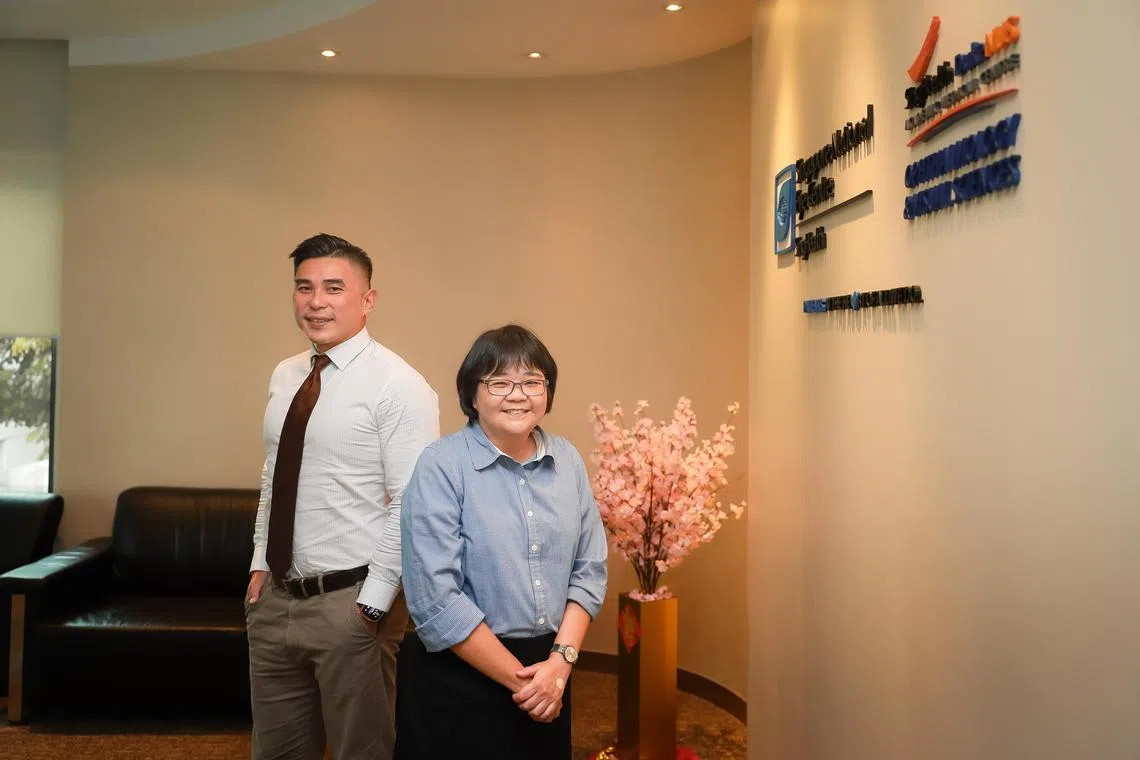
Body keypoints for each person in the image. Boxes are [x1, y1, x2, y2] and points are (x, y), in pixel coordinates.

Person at [245, 233, 439, 760]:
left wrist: (371, 608)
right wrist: (261, 564)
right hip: (275, 603)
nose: (316, 301)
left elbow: (411, 505)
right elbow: (274, 475)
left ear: (367, 299)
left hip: (351, 604)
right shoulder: (286, 375)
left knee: (363, 751)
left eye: (334, 287)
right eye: (304, 287)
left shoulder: (399, 386)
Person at [395, 324, 608, 760]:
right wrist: (528, 685)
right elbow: (436, 600)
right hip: (461, 674)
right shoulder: (441, 465)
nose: (517, 394)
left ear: (547, 391)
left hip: (550, 665)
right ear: (472, 394)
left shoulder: (567, 460)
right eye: (499, 382)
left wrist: (560, 665)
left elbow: (589, 571)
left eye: (532, 381)